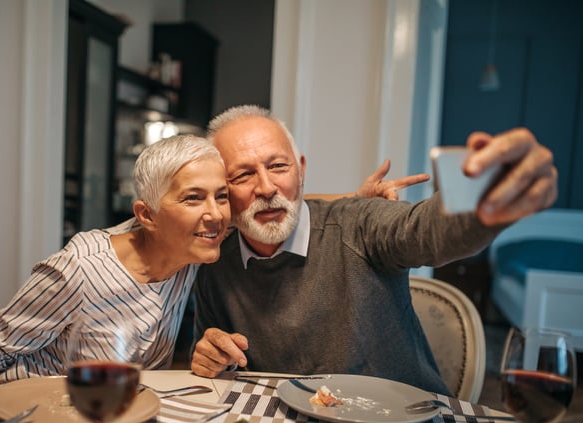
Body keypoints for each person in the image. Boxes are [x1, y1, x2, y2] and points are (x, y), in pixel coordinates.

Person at [0, 133, 427, 416]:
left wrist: (349, 203)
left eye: (219, 196)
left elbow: (265, 205)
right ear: (146, 215)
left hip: (112, 419)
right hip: (29, 417)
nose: (215, 213)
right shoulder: (82, 268)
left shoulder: (200, 244)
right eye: (194, 198)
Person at [190, 105, 557, 395]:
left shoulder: (359, 224)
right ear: (220, 190)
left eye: (278, 166)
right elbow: (217, 363)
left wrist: (484, 201)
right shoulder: (213, 263)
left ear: (301, 170)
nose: (267, 187)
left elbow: (427, 230)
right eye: (242, 176)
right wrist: (211, 358)